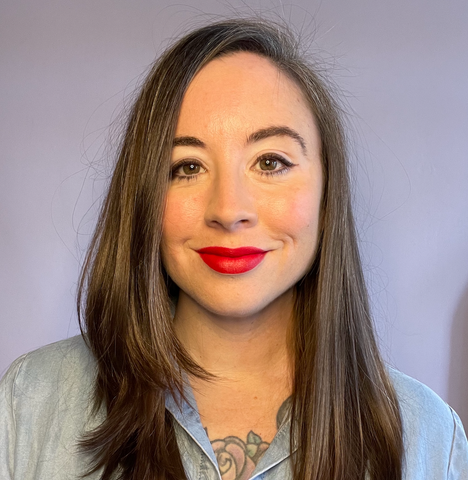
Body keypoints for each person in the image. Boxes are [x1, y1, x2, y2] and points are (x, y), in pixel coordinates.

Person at [0, 18, 467, 480]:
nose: (228, 210)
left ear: (328, 192)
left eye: (270, 162)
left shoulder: (429, 436)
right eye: (187, 167)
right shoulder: (30, 401)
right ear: (143, 196)